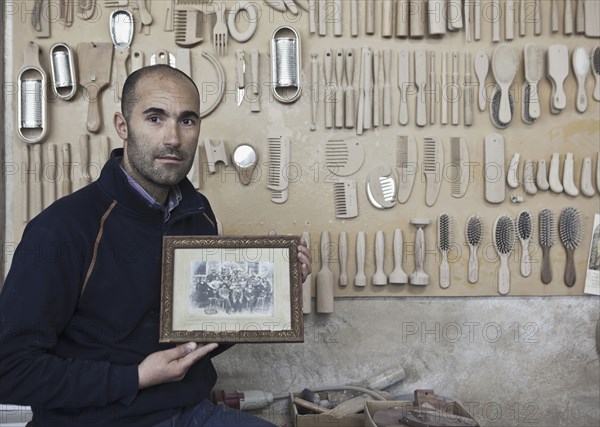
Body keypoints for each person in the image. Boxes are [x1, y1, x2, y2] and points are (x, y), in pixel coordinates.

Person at [0, 65, 312, 427]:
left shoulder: (198, 215)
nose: (173, 138)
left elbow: (197, 336)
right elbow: (10, 371)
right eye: (154, 118)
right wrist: (136, 377)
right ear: (122, 126)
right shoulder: (63, 230)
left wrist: (272, 290)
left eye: (187, 120)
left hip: (189, 414)